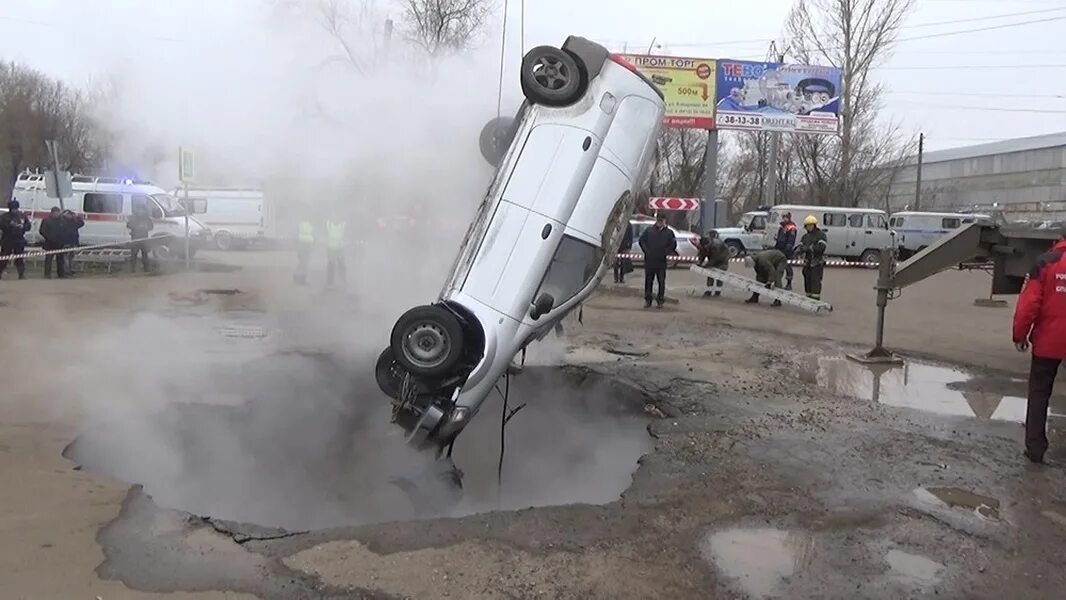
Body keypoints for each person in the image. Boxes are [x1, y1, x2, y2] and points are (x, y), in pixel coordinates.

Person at [1012, 228, 1066, 464]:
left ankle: (1035, 449)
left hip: (1048, 341)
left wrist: (1020, 335)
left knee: (1039, 394)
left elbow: (1029, 305)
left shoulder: (1046, 262)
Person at [638, 214, 676, 309]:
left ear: (664, 221)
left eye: (661, 220)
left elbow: (673, 244)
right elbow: (641, 241)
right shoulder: (649, 231)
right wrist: (647, 251)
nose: (660, 222)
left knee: (661, 282)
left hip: (661, 261)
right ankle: (648, 300)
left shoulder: (669, 233)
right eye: (658, 220)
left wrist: (665, 252)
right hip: (650, 260)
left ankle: (660, 301)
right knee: (648, 282)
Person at [0, 200, 32, 280]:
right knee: (4, 258)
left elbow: (28, 226)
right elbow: (1, 225)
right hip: (8, 239)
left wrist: (22, 227)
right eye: (12, 208)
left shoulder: (22, 216)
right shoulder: (4, 217)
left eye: (15, 208)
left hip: (19, 239)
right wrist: (10, 226)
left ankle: (21, 274)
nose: (14, 210)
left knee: (20, 258)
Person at [798, 214, 828, 300]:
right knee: (807, 280)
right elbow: (801, 246)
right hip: (807, 262)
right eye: (807, 225)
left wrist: (810, 249)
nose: (809, 227)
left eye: (810, 225)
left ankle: (815, 299)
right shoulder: (805, 236)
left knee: (815, 281)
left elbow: (821, 247)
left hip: (816, 262)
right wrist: (800, 250)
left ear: (814, 225)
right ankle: (808, 297)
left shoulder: (821, 235)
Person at [697, 229, 730, 297]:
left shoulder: (716, 245)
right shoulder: (702, 244)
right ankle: (708, 291)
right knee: (710, 274)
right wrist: (700, 262)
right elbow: (702, 254)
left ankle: (718, 292)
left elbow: (715, 259)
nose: (704, 247)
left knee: (720, 275)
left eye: (705, 246)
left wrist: (706, 265)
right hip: (713, 257)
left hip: (723, 257)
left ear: (708, 244)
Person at [39, 207, 67, 279]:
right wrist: (49, 237)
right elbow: (42, 231)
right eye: (55, 212)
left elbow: (65, 230)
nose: (57, 214)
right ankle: (47, 274)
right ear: (52, 213)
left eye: (58, 212)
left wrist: (63, 238)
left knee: (60, 260)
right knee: (48, 260)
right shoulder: (46, 220)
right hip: (50, 243)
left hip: (60, 243)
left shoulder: (62, 221)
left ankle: (61, 274)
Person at [126, 203, 154, 273]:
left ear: (144, 210)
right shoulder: (133, 217)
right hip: (135, 239)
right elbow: (128, 225)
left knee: (145, 254)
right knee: (134, 254)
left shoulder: (146, 218)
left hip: (144, 239)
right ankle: (132, 269)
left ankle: (146, 269)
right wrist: (136, 227)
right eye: (139, 209)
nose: (140, 211)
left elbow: (151, 227)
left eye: (142, 209)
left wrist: (145, 227)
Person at [774, 212, 798, 290]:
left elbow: (791, 239)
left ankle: (789, 284)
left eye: (786, 217)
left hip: (787, 251)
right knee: (778, 267)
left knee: (788, 267)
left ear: (789, 218)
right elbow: (780, 238)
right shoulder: (782, 227)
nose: (784, 219)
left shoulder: (791, 227)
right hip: (780, 249)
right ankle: (777, 282)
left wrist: (788, 248)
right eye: (783, 217)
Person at [324, 211, 347, 289]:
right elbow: (324, 234)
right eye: (334, 216)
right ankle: (330, 284)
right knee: (331, 266)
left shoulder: (343, 225)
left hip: (340, 249)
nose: (336, 218)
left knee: (342, 265)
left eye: (338, 216)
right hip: (331, 248)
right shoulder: (328, 225)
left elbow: (346, 235)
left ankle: (343, 282)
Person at [61, 209, 84, 277]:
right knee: (65, 257)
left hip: (73, 242)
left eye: (70, 214)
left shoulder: (74, 222)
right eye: (68, 214)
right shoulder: (62, 221)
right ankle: (66, 270)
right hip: (65, 242)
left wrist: (77, 217)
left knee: (72, 256)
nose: (69, 216)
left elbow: (81, 223)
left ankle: (71, 269)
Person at [295, 216, 315, 285]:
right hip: (302, 244)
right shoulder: (302, 224)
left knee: (305, 262)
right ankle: (299, 278)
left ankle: (302, 279)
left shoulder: (311, 224)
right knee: (303, 262)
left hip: (308, 245)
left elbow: (313, 234)